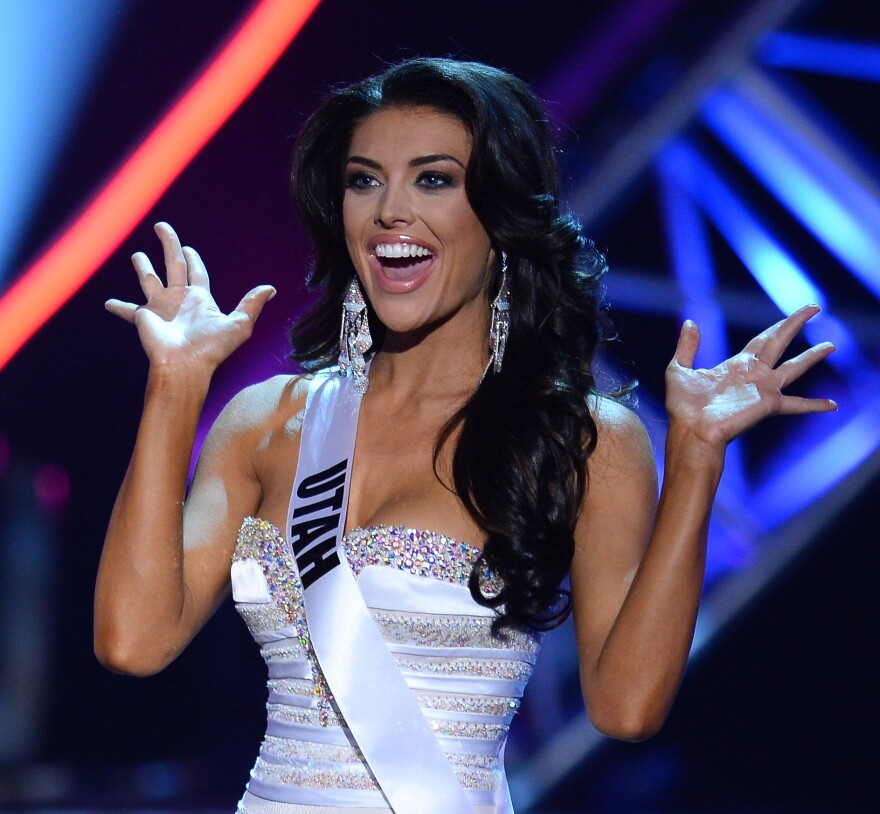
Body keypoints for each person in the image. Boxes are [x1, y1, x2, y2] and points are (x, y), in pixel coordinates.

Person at [94, 58, 836, 813]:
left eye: (433, 179)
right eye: (364, 180)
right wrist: (175, 386)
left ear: (501, 217)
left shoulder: (583, 440)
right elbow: (132, 641)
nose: (389, 211)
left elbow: (627, 708)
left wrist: (698, 458)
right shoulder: (266, 422)